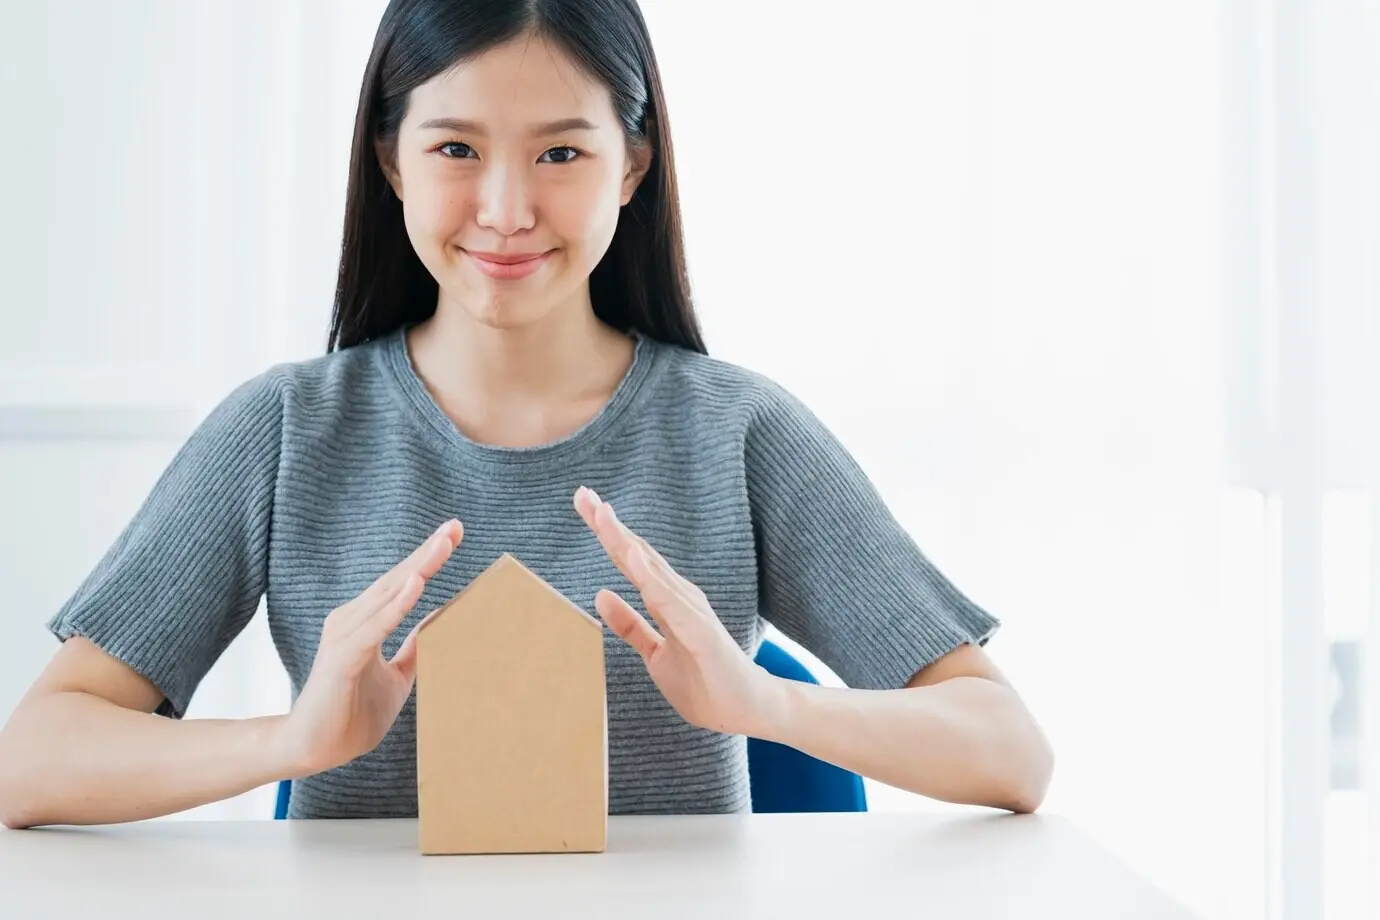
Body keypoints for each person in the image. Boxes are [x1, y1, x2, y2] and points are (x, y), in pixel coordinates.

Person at [0, 0, 1052, 829]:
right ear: (389, 157)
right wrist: (288, 739)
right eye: (457, 149)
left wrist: (769, 707)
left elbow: (1011, 748)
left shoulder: (738, 433)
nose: (505, 210)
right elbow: (34, 757)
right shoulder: (285, 431)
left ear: (632, 165)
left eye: (561, 153)